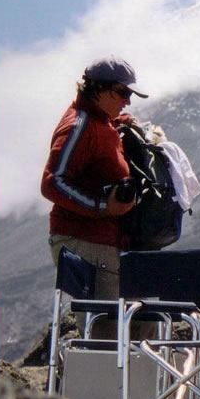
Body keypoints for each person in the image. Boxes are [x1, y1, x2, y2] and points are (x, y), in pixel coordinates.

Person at [41, 56, 147, 338]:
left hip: (102, 242)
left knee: (133, 326)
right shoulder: (79, 125)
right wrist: (103, 206)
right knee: (107, 332)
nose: (128, 101)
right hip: (86, 242)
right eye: (122, 93)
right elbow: (52, 182)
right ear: (99, 89)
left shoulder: (101, 121)